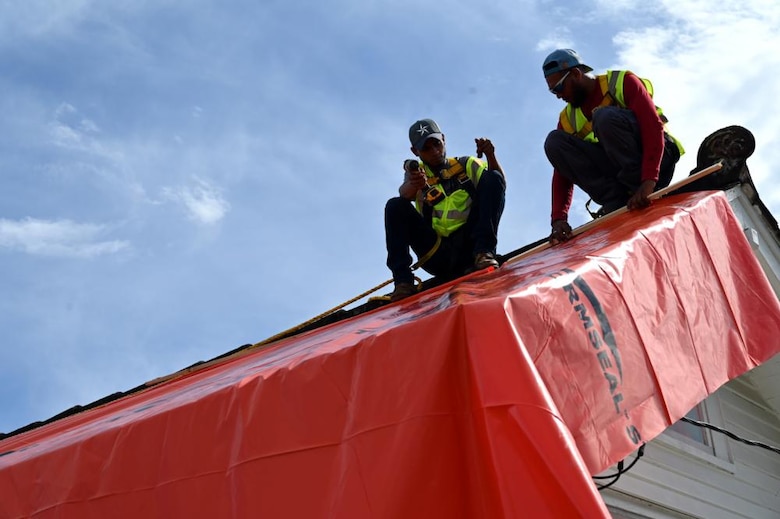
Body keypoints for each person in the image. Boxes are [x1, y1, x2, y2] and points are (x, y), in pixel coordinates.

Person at [541, 49, 684, 244]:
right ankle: (615, 200)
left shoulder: (622, 82)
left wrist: (649, 180)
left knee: (603, 116)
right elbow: (561, 173)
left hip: (657, 161)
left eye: (558, 88)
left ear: (575, 74)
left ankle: (637, 187)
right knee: (554, 142)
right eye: (552, 92)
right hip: (622, 176)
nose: (558, 96)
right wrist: (558, 218)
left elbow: (652, 127)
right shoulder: (568, 119)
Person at [384, 118, 506, 302]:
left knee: (492, 177)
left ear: (443, 139)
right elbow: (404, 194)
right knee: (394, 205)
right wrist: (415, 184)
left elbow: (498, 184)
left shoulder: (466, 165)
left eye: (436, 144)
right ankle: (403, 282)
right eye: (426, 148)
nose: (434, 151)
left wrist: (491, 156)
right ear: (415, 151)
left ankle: (485, 253)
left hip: (472, 248)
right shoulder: (416, 176)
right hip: (438, 253)